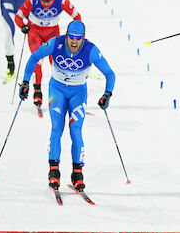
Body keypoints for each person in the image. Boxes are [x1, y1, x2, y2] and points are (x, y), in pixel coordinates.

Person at [18, 21, 116, 191]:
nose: (74, 41)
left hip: (78, 93)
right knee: (57, 128)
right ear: (67, 35)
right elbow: (34, 57)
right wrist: (26, 82)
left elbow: (109, 73)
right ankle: (54, 172)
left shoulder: (91, 50)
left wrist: (107, 94)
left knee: (75, 130)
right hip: (57, 90)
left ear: (83, 38)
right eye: (71, 37)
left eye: (78, 38)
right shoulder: (56, 43)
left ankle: (77, 174)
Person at [14, 0, 82, 107]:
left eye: (48, 1)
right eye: (43, 0)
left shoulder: (61, 0)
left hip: (52, 33)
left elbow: (77, 16)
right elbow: (18, 16)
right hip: (35, 32)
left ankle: (64, 92)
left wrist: (74, 33)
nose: (45, 4)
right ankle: (37, 91)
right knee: (38, 59)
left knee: (56, 62)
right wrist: (22, 26)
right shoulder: (32, 0)